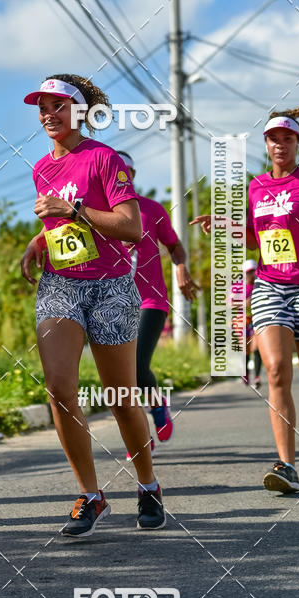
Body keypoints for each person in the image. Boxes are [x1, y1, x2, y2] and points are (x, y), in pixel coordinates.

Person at [20, 75, 166, 535]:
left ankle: (147, 485)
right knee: (59, 389)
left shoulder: (103, 158)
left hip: (110, 286)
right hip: (61, 284)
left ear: (80, 112)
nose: (48, 114)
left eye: (58, 105)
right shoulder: (42, 165)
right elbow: (62, 224)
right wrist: (39, 240)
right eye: (42, 107)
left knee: (121, 397)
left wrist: (74, 212)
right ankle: (90, 495)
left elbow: (130, 227)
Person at [192, 107, 299, 494]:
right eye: (273, 139)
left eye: (287, 138)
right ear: (265, 144)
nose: (280, 144)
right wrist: (224, 226)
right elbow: (255, 237)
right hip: (269, 286)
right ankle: (288, 466)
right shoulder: (255, 187)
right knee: (277, 368)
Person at [116, 151, 198, 447]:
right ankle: (139, 437)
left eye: (123, 172)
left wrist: (181, 268)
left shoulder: (151, 210)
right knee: (118, 378)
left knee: (136, 367)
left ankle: (156, 405)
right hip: (112, 303)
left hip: (150, 300)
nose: (117, 177)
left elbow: (175, 247)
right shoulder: (96, 214)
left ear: (132, 176)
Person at [231, 258, 263, 389]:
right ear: (244, 273)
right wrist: (244, 303)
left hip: (257, 320)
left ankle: (257, 377)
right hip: (241, 321)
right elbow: (229, 303)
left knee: (257, 348)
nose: (251, 274)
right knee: (245, 350)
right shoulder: (238, 287)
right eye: (249, 272)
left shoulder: (261, 285)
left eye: (253, 271)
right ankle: (245, 374)